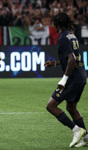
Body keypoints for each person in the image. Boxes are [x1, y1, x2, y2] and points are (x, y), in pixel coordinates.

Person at [44, 12, 88, 148]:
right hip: (81, 75)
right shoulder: (71, 35)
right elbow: (72, 58)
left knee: (51, 106)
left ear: (56, 24)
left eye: (53, 23)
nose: (52, 25)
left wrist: (64, 79)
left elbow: (72, 59)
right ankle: (86, 138)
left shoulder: (63, 38)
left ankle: (77, 130)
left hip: (73, 78)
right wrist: (56, 63)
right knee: (71, 107)